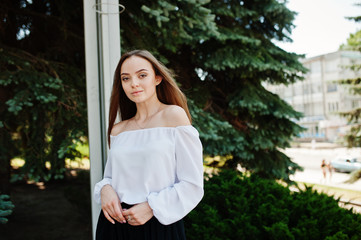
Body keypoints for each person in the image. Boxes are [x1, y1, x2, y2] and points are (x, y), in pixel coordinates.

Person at [93, 50, 204, 240]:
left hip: (158, 224)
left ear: (158, 78)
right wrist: (104, 189)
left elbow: (192, 184)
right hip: (114, 226)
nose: (134, 83)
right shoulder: (119, 130)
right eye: (126, 78)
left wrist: (152, 207)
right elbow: (111, 177)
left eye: (142, 75)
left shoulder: (174, 116)